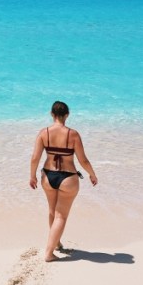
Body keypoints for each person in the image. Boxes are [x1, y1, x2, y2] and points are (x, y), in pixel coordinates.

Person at [30, 101, 98, 261]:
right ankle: (48, 253)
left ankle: (57, 242)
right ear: (67, 115)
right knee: (61, 216)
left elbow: (35, 158)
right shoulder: (73, 134)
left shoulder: (43, 133)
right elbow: (83, 160)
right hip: (68, 178)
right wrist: (92, 175)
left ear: (52, 114)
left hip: (48, 176)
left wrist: (32, 176)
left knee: (52, 211)